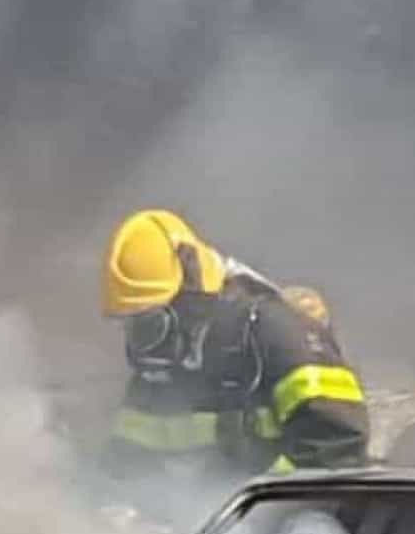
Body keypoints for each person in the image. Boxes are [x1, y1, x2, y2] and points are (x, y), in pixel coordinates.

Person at [98, 209, 367, 510]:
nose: (143, 343)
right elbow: (126, 459)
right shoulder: (166, 371)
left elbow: (337, 448)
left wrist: (260, 512)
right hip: (216, 532)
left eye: (149, 325)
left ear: (186, 302)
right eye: (131, 328)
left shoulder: (274, 330)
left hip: (298, 525)